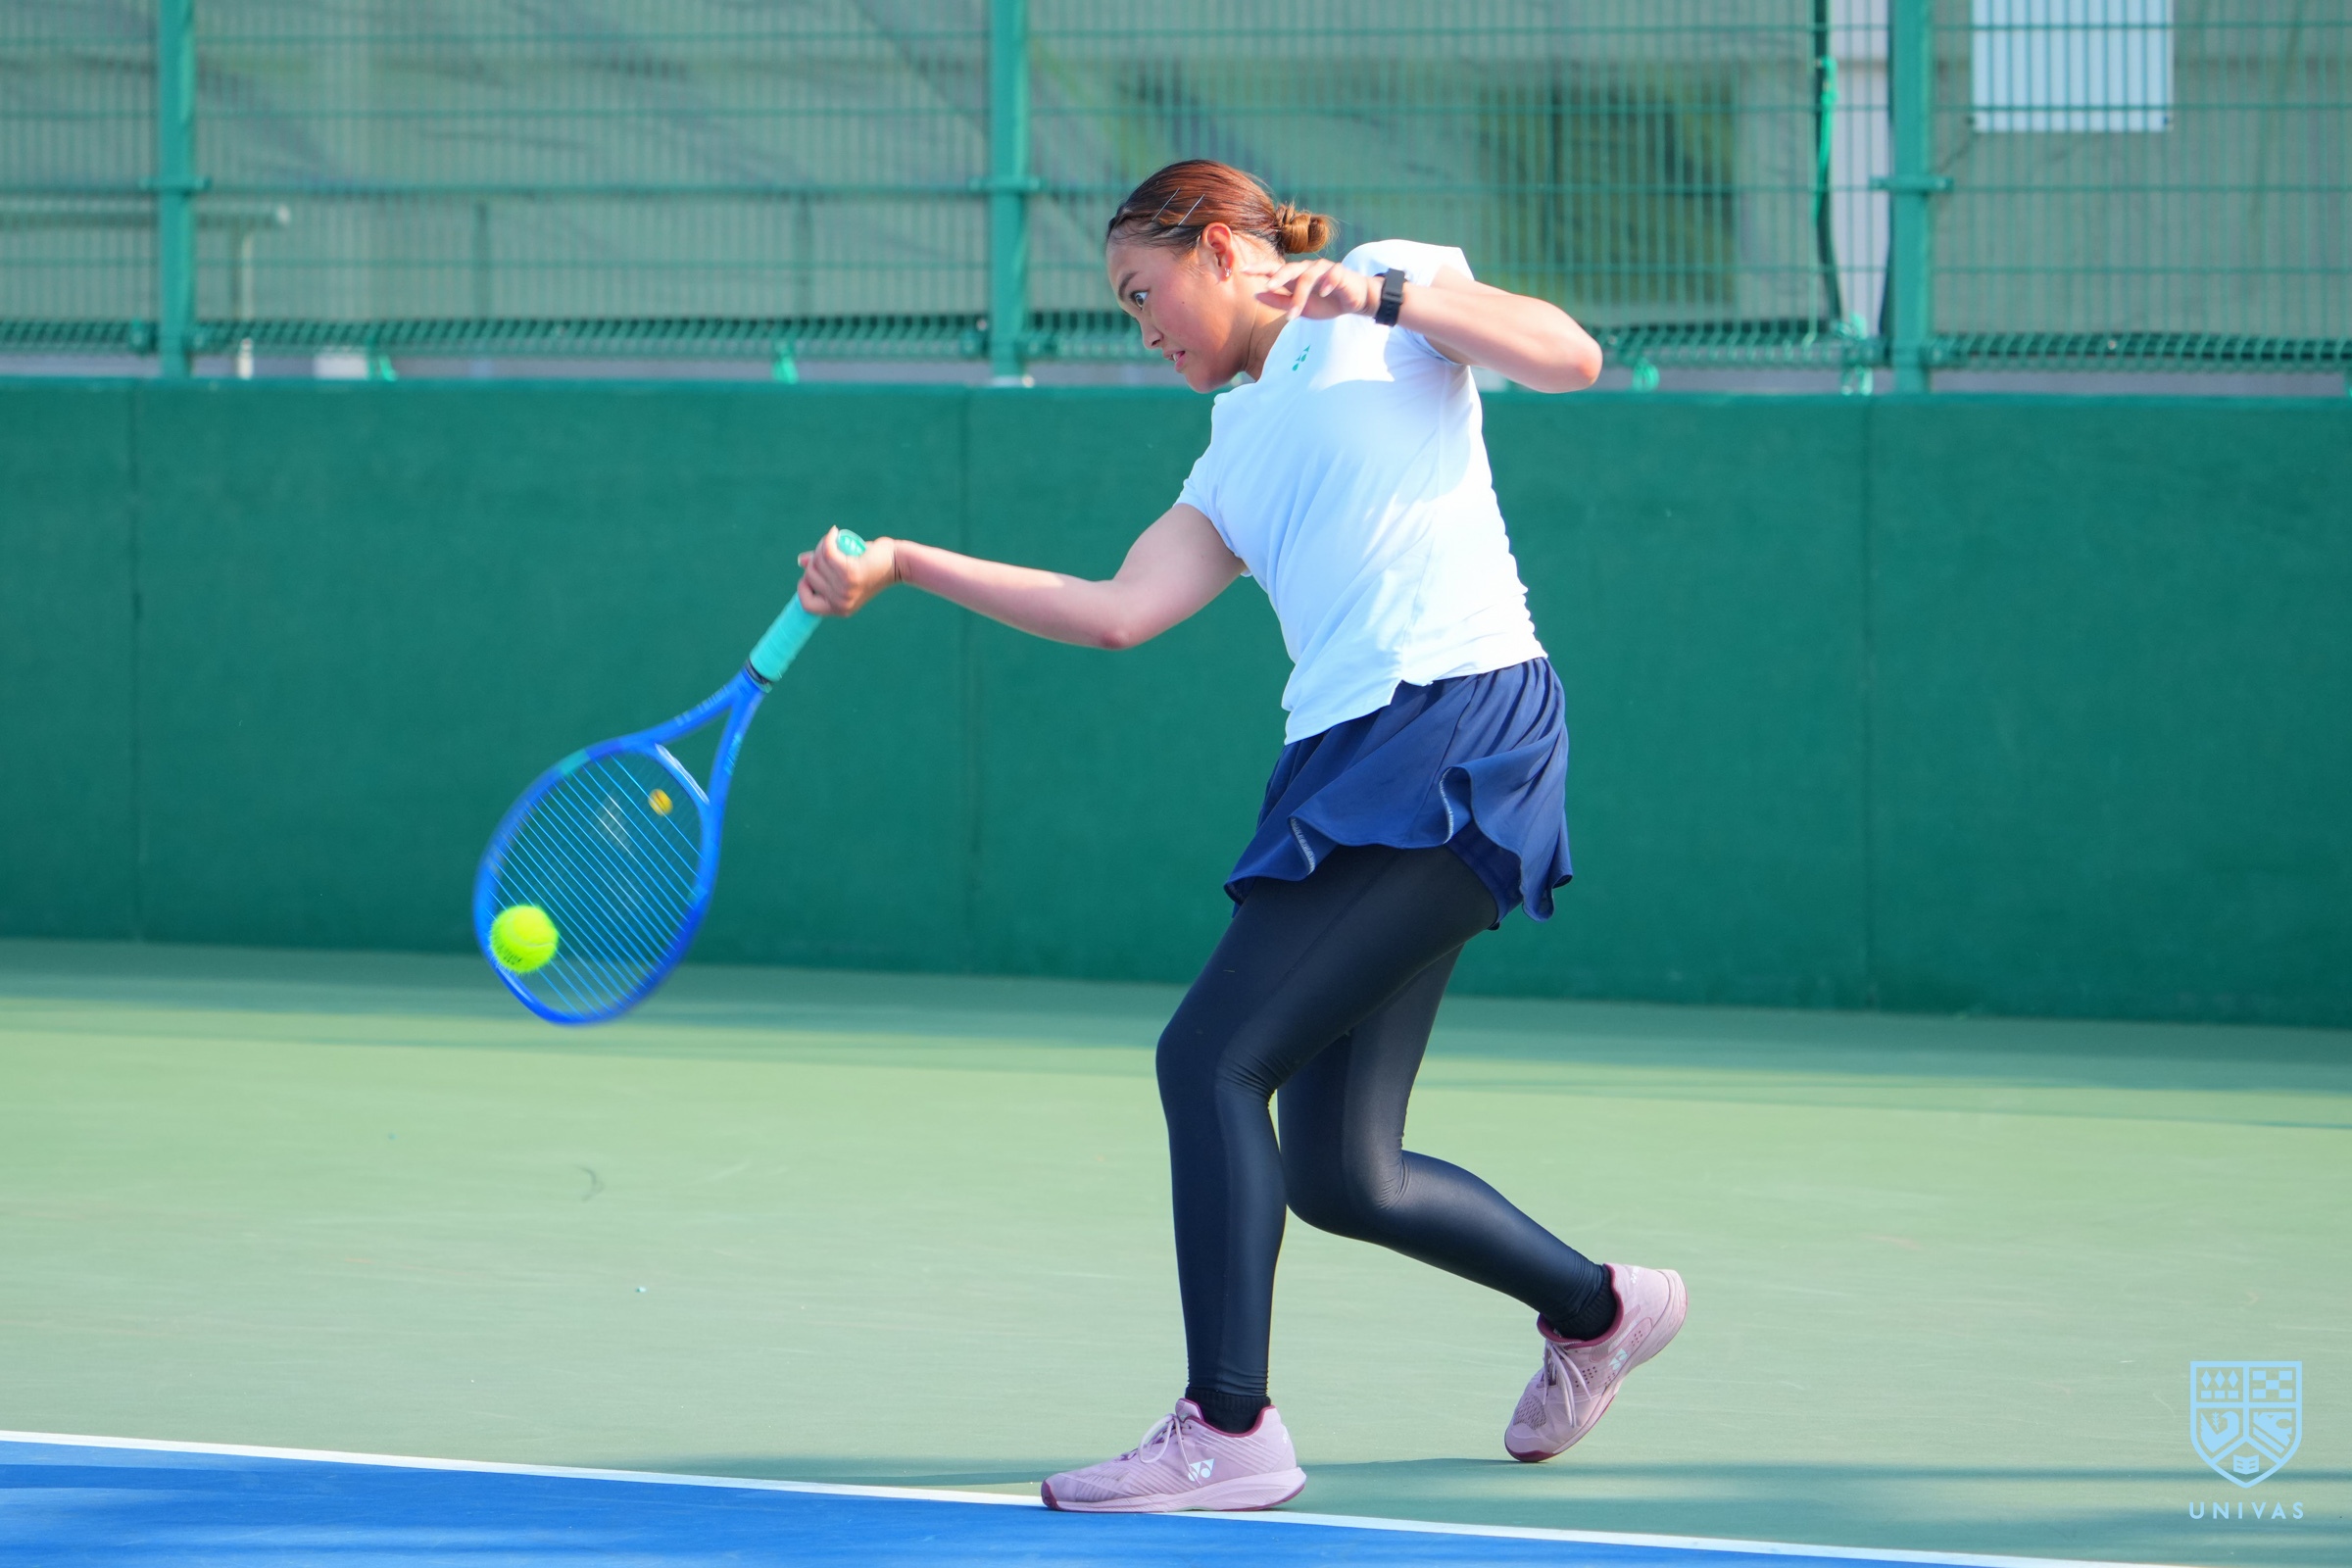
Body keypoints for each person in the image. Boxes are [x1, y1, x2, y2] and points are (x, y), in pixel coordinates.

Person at [795, 159, 1686, 1515]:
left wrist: (1384, 298)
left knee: (1208, 1058)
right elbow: (1117, 611)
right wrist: (908, 564)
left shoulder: (1384, 291)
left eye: (1143, 292)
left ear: (1219, 249)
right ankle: (1601, 1310)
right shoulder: (1231, 448)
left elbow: (1570, 358)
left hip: (1454, 723)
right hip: (1343, 760)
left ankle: (1228, 1427)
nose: (1142, 328)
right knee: (1346, 1174)